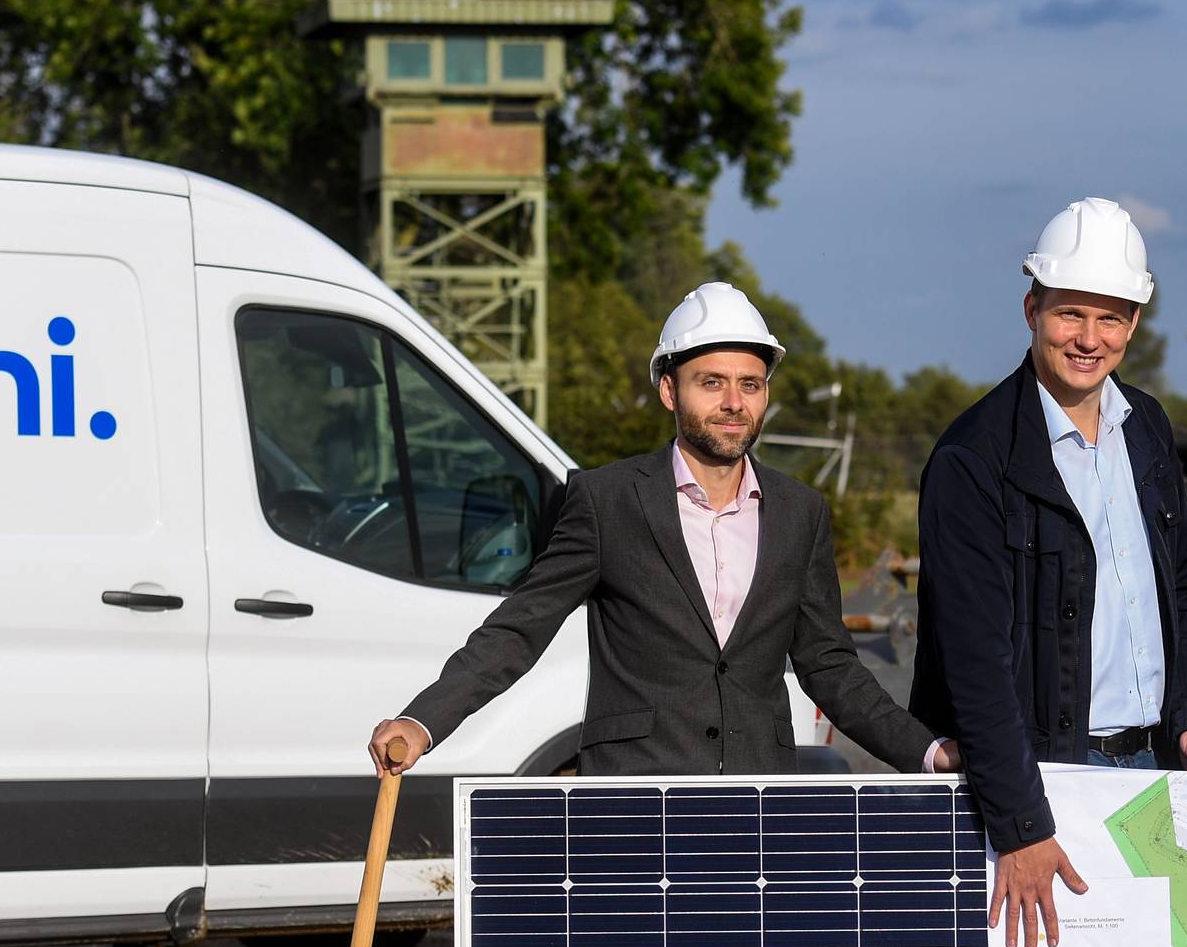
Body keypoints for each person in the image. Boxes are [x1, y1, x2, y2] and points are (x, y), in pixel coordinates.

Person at [368, 281, 956, 780]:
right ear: (669, 390)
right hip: (636, 798)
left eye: (750, 384)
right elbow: (519, 629)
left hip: (758, 799)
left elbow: (830, 666)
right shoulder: (606, 502)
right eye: (712, 382)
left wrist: (928, 751)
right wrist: (424, 720)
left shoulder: (801, 512)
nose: (733, 402)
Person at [910, 197, 1187, 947]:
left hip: (1156, 766)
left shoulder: (1147, 428)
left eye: (1111, 318)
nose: (1090, 339)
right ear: (1032, 308)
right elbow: (975, 661)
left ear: (1135, 324)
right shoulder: (974, 460)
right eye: (1070, 315)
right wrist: (1022, 825)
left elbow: (1185, 593)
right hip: (1050, 781)